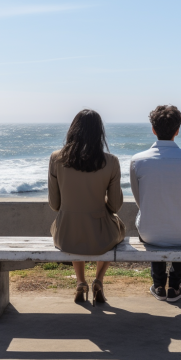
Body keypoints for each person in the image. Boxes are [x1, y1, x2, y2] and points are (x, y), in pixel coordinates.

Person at [48, 109, 126, 305]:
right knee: (116, 227)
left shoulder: (56, 158)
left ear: (72, 130)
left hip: (66, 235)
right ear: (100, 132)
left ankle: (81, 282)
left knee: (76, 226)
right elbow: (115, 205)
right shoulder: (111, 161)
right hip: (100, 234)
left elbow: (54, 204)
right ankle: (98, 279)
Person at [130, 105, 181, 303]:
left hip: (149, 234)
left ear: (153, 129)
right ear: (177, 130)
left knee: (151, 215)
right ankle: (175, 285)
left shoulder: (138, 161)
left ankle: (159, 285)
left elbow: (139, 200)